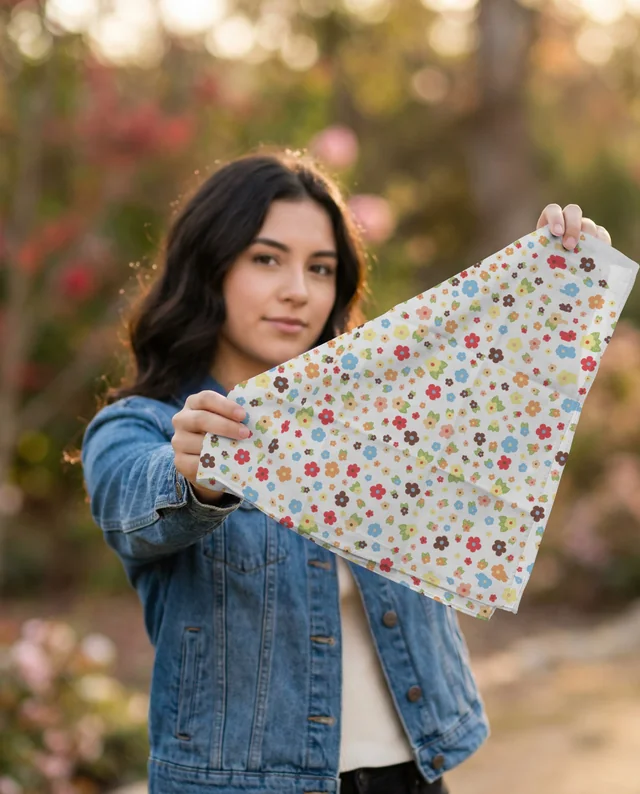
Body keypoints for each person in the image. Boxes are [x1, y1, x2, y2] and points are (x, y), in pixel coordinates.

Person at [81, 147, 612, 794]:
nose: (298, 291)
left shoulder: (378, 412)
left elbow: (496, 421)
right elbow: (133, 505)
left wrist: (555, 287)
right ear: (210, 267)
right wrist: (196, 475)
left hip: (410, 773)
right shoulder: (141, 427)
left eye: (322, 267)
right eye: (266, 258)